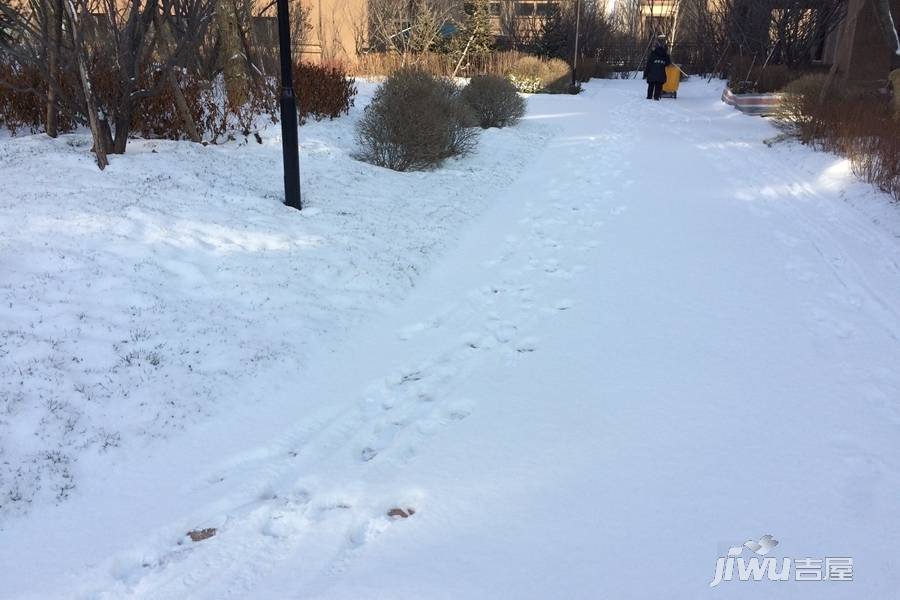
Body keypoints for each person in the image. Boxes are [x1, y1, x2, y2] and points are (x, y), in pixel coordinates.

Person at [643, 36, 671, 101]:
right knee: (658, 86)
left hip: (651, 74)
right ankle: (656, 97)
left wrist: (646, 74)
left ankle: (649, 97)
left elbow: (648, 64)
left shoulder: (653, 54)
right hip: (661, 74)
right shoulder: (665, 55)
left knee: (651, 86)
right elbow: (667, 64)